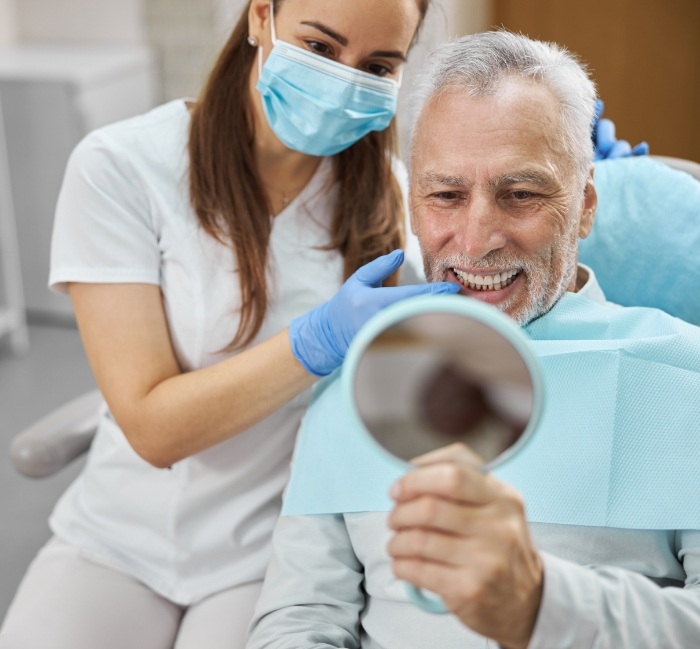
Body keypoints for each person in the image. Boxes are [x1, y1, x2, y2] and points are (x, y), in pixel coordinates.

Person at [0, 2, 462, 648]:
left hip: (269, 550)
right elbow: (153, 428)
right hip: (117, 537)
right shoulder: (123, 168)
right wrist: (316, 341)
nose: (343, 80)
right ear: (260, 17)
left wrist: (578, 188)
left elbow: (452, 349)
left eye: (377, 65)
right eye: (321, 48)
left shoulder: (388, 196)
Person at [246, 31, 700, 649]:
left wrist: (542, 606)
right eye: (446, 195)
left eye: (520, 195)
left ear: (585, 205)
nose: (477, 237)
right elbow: (299, 616)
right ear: (413, 206)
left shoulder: (685, 379)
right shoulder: (352, 385)